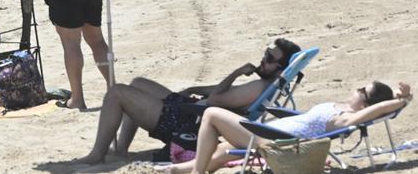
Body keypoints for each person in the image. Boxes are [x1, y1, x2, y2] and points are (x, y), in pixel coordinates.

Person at [80, 38, 304, 165]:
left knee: (118, 93)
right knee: (138, 82)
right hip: (190, 111)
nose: (263, 60)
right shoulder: (266, 86)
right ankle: (120, 150)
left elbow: (216, 99)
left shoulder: (258, 87)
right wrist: (194, 89)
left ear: (280, 68)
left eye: (270, 59)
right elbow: (222, 96)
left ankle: (97, 154)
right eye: (266, 53)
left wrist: (236, 72)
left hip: (185, 122)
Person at [157, 82, 413, 173]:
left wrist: (398, 102)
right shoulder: (342, 109)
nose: (356, 90)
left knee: (212, 113)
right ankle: (176, 170)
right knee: (223, 148)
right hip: (269, 134)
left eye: (362, 91)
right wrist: (397, 97)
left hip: (276, 141)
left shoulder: (345, 119)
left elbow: (377, 110)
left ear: (366, 103)